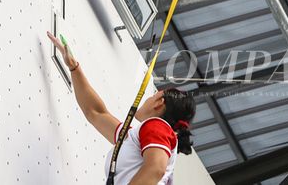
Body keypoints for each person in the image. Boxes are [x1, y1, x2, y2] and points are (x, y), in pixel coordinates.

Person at [47, 32, 196, 185]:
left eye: (153, 95)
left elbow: (156, 169)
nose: (149, 98)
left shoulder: (157, 127)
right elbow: (95, 112)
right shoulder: (136, 138)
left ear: (159, 103)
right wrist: (74, 67)